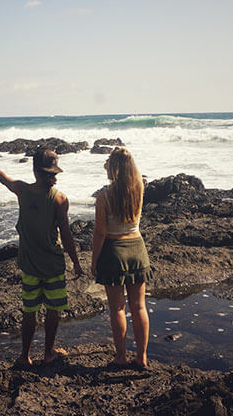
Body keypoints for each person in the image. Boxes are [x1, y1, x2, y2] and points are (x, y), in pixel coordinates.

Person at [0, 149, 84, 367]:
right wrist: (76, 262)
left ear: (34, 170)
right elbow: (66, 234)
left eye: (53, 173)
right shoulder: (59, 198)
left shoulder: (23, 190)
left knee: (30, 311)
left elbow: (5, 181)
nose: (53, 177)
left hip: (30, 265)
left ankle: (25, 355)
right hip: (52, 265)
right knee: (52, 310)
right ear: (45, 172)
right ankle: (48, 353)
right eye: (51, 173)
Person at [92, 147, 152, 369]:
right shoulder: (139, 188)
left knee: (118, 308)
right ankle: (142, 357)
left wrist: (94, 260)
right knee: (139, 307)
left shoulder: (104, 197)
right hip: (137, 249)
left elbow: (100, 233)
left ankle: (121, 356)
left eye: (107, 163)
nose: (105, 167)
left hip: (114, 252)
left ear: (114, 167)